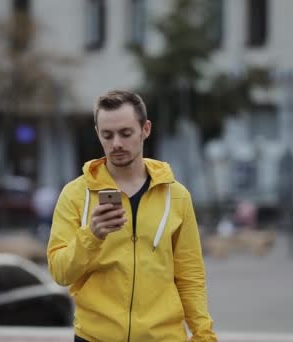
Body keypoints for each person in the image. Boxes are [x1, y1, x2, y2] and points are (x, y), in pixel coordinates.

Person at [47, 90, 217, 341]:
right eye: (107, 135)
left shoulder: (177, 196)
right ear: (97, 133)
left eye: (125, 133)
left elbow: (190, 276)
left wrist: (204, 336)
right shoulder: (75, 194)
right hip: (95, 337)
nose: (116, 143)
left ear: (145, 129)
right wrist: (91, 235)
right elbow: (60, 273)